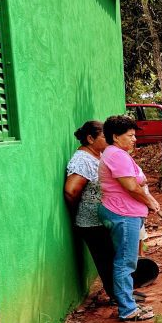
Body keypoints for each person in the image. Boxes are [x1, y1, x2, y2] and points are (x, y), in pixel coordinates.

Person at [99, 115, 160, 322]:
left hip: (125, 213)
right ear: (116, 136)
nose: (134, 139)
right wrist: (149, 202)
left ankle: (128, 303)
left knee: (125, 261)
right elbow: (131, 186)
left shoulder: (116, 153)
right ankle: (127, 309)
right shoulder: (116, 155)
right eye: (130, 135)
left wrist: (147, 200)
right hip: (123, 215)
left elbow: (136, 184)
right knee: (125, 263)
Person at [64, 121, 115, 302]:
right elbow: (71, 191)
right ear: (90, 138)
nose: (108, 140)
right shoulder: (82, 160)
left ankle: (120, 294)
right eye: (104, 136)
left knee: (111, 257)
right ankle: (117, 296)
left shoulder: (97, 155)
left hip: (101, 219)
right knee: (106, 260)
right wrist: (79, 211)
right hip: (90, 221)